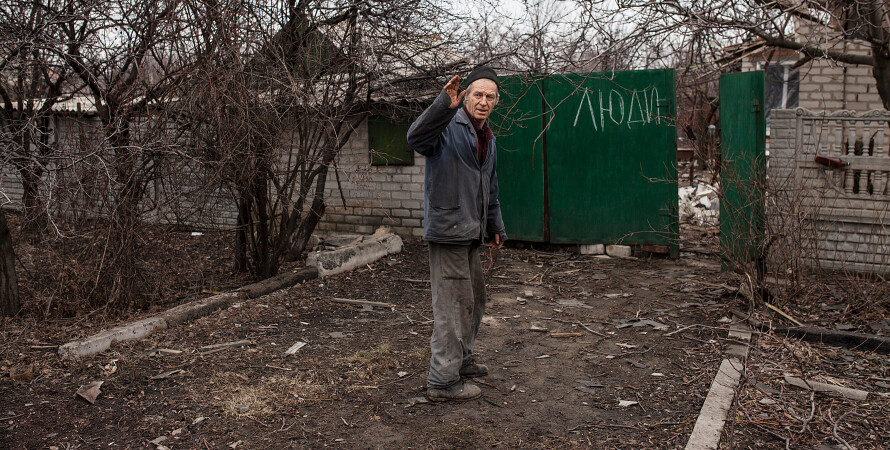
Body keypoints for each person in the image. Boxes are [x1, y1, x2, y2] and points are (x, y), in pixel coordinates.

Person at [406, 67, 507, 402]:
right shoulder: (447, 126)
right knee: (452, 307)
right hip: (448, 230)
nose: (483, 101)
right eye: (477, 94)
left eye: (490, 96)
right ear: (466, 97)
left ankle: (462, 360)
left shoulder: (487, 136)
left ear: (496, 101)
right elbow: (416, 138)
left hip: (471, 231)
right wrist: (442, 105)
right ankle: (442, 381)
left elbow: (489, 186)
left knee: (473, 300)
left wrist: (495, 225)